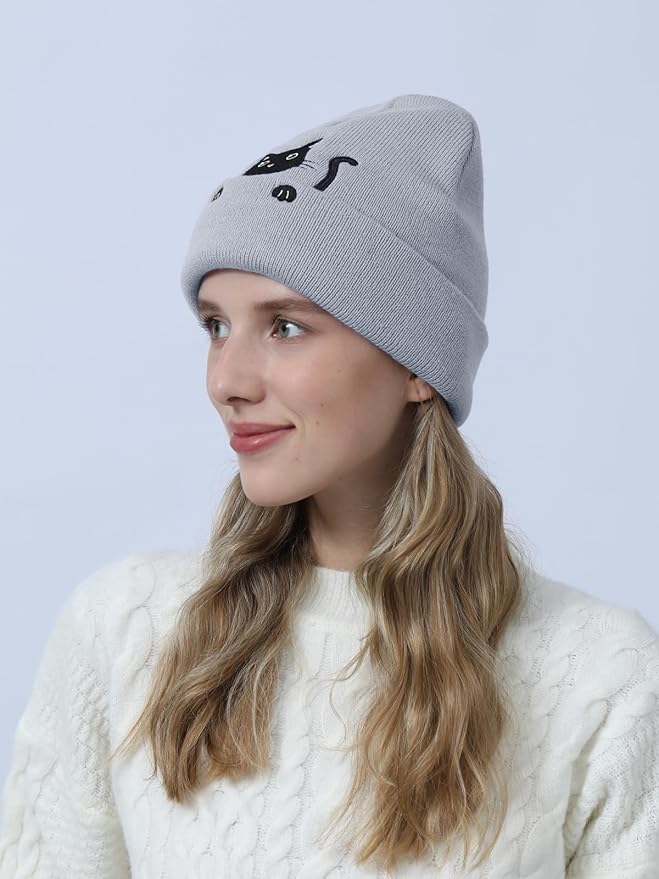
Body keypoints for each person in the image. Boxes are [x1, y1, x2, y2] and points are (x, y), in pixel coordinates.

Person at [1, 93, 657, 878]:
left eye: (284, 326)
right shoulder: (123, 629)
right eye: (215, 325)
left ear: (417, 362)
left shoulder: (600, 674)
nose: (227, 380)